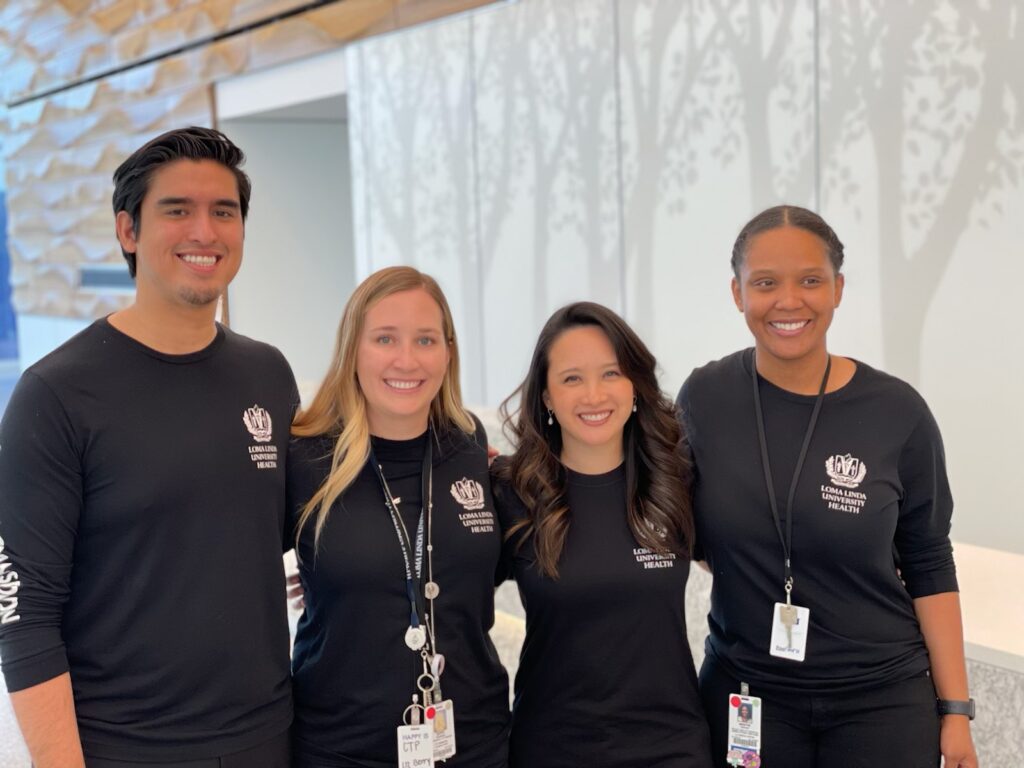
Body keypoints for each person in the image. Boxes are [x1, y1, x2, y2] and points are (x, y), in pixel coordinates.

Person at [0, 127, 297, 767]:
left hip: (268, 736)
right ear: (128, 231)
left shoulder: (268, 374)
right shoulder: (56, 395)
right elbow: (24, 616)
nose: (205, 231)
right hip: (124, 748)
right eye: (177, 210)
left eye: (224, 212)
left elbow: (295, 520)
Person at [677, 205, 978, 768]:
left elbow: (930, 561)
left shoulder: (897, 412)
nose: (789, 301)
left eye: (811, 281)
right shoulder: (705, 399)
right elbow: (684, 525)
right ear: (738, 293)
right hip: (748, 696)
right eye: (765, 283)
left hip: (882, 700)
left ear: (838, 289)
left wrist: (956, 711)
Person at [286, 266, 510, 768]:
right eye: (385, 338)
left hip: (475, 743)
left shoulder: (469, 444)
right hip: (341, 749)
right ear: (353, 350)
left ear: (448, 351)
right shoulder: (305, 456)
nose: (406, 360)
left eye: (425, 340)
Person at [493, 301, 713, 768]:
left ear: (634, 384)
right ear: (547, 396)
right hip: (552, 750)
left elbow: (749, 558)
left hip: (672, 748)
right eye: (572, 378)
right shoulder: (513, 490)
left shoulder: (678, 480)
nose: (594, 395)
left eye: (611, 373)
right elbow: (450, 594)